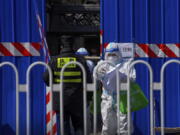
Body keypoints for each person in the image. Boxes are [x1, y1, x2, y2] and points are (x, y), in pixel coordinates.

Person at [43, 35, 91, 135]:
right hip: (77, 100)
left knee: (64, 126)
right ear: (73, 46)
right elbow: (88, 80)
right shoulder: (80, 60)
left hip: (60, 100)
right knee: (78, 126)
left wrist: (54, 83)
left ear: (61, 46)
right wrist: (88, 98)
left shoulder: (54, 60)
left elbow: (46, 79)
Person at [94, 43, 136, 135]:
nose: (112, 57)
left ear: (119, 54)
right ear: (106, 54)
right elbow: (95, 76)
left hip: (123, 99)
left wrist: (124, 77)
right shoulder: (102, 64)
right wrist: (98, 72)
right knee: (107, 125)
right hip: (107, 98)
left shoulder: (126, 64)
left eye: (114, 55)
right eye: (109, 55)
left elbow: (133, 78)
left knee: (124, 125)